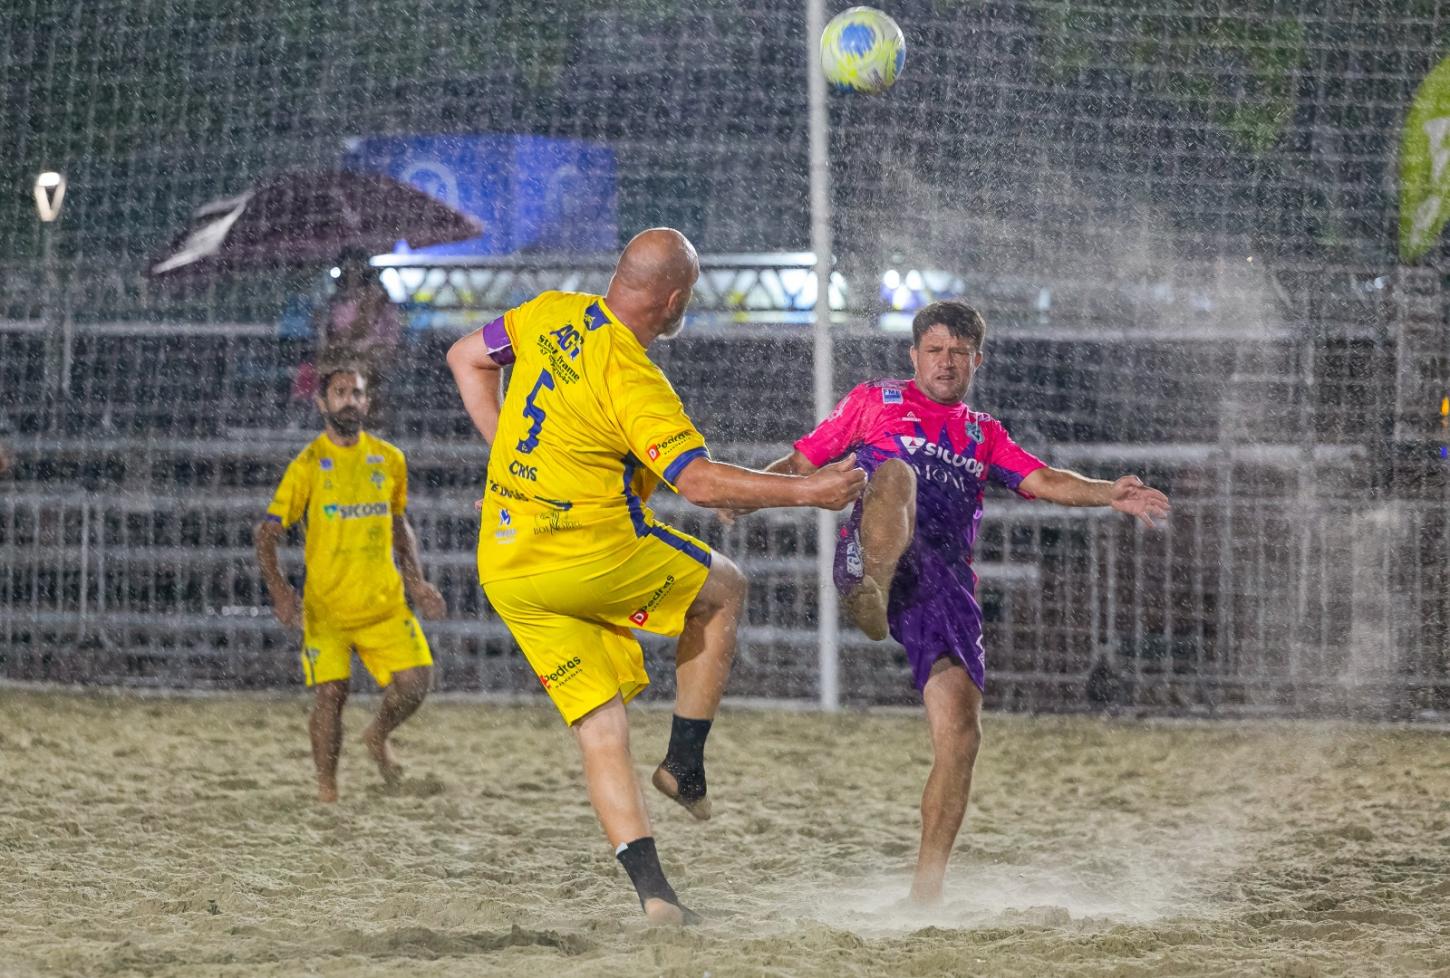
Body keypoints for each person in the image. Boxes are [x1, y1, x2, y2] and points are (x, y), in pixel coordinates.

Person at [446, 227, 865, 925]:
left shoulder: (549, 312)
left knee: (600, 725)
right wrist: (809, 492)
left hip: (506, 562)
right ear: (673, 301)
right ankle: (684, 763)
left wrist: (508, 457)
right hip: (587, 554)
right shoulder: (634, 377)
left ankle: (657, 898)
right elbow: (697, 482)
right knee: (725, 587)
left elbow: (464, 357)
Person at [757, 299, 1170, 905]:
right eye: (935, 350)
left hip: (942, 584)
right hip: (875, 548)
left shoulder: (984, 433)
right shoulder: (875, 400)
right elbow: (800, 463)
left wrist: (1111, 492)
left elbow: (1045, 480)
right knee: (897, 474)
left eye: (958, 352)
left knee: (961, 736)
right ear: (914, 355)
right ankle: (869, 583)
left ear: (977, 360)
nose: (945, 362)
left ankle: (925, 893)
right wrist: (746, 493)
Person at [255, 361, 447, 803]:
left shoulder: (389, 458)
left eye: (357, 393)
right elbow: (266, 534)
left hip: (383, 605)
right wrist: (280, 590)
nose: (350, 401)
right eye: (340, 393)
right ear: (322, 403)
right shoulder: (307, 465)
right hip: (328, 610)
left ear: (367, 401)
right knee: (330, 695)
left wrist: (416, 582)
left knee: (416, 683)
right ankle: (328, 790)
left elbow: (399, 525)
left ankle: (377, 734)